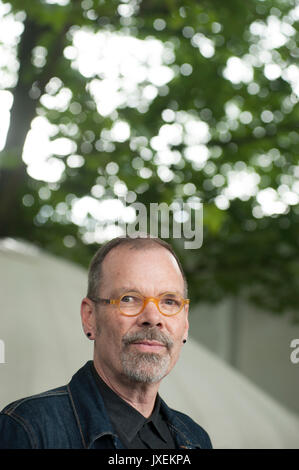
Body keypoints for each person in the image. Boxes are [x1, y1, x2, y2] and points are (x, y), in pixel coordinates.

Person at [0, 235, 212, 449]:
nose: (153, 318)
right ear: (90, 317)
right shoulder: (29, 429)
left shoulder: (196, 439)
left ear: (185, 323)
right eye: (129, 298)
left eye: (169, 301)